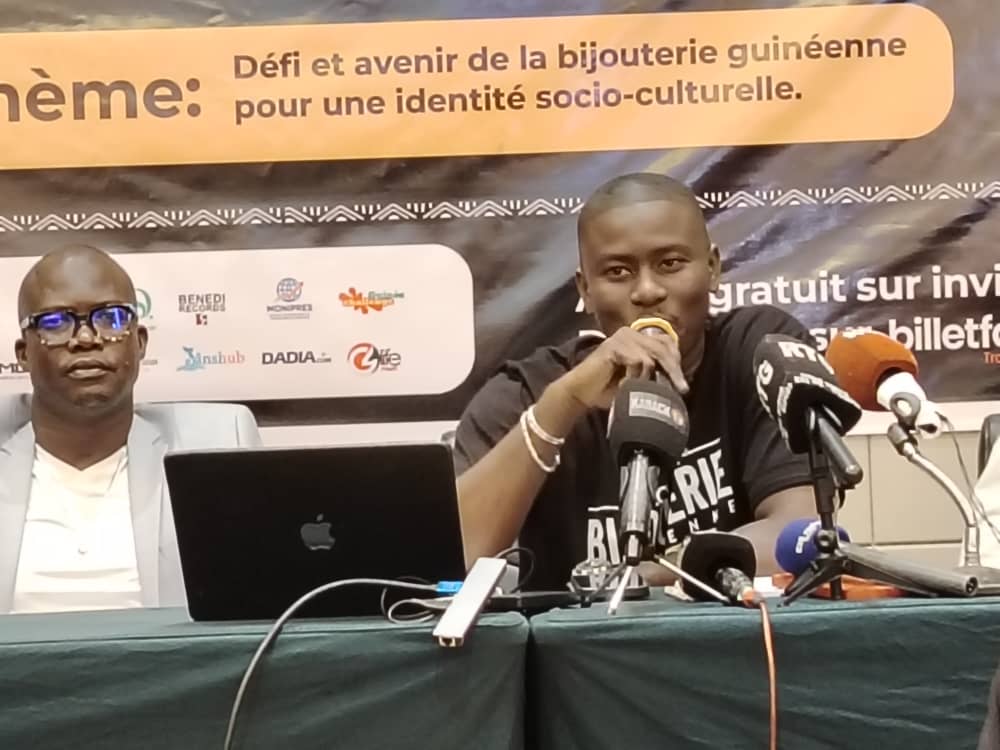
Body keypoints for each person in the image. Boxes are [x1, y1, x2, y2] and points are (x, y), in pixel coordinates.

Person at [454, 173, 818, 590]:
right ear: (585, 289)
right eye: (618, 271)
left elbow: (797, 533)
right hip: (580, 635)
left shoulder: (759, 351)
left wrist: (642, 576)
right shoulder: (525, 392)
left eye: (670, 264)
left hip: (736, 625)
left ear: (713, 268)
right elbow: (456, 556)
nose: (647, 291)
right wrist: (563, 403)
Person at [0, 245, 261, 614]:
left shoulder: (220, 442)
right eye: (55, 322)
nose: (86, 339)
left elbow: (258, 601)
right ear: (23, 353)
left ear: (139, 343)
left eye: (111, 317)